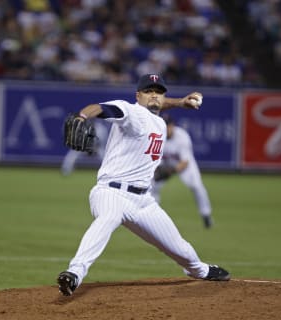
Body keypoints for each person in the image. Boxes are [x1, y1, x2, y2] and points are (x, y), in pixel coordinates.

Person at [57, 74, 230, 297]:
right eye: (148, 91)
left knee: (180, 249)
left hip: (143, 201)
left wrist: (179, 102)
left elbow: (158, 104)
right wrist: (82, 117)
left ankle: (200, 270)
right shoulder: (129, 111)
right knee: (107, 219)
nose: (154, 95)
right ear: (137, 95)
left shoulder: (159, 121)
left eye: (158, 91)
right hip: (111, 193)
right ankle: (74, 274)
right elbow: (99, 108)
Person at [151, 114, 214, 229]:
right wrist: (156, 171)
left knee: (196, 186)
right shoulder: (157, 135)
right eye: (164, 126)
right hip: (165, 164)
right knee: (152, 185)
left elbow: (185, 162)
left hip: (184, 165)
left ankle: (206, 215)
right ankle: (152, 216)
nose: (166, 129)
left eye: (168, 125)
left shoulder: (182, 137)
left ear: (172, 125)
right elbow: (153, 158)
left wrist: (172, 171)